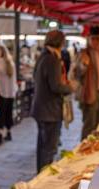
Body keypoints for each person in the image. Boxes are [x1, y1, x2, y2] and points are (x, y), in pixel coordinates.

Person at [31, 30, 72, 173]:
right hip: (49, 110)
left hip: (41, 108)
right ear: (60, 42)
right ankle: (44, 177)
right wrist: (70, 87)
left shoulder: (43, 56)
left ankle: (40, 175)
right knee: (49, 148)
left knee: (43, 147)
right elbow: (56, 86)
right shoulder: (52, 59)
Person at [72, 25, 99, 140]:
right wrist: (84, 65)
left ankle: (96, 147)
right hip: (91, 94)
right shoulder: (84, 54)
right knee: (89, 125)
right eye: (93, 39)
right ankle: (84, 150)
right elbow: (76, 74)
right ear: (89, 39)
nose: (96, 41)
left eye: (98, 39)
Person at [0, 44, 18, 145]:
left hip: (0, 93)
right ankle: (9, 133)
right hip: (10, 93)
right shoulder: (11, 63)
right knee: (8, 114)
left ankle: (0, 135)